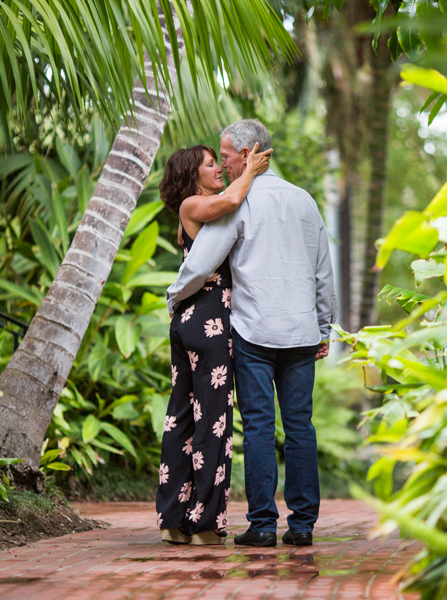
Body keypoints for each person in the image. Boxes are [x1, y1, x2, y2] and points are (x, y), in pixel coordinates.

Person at [166, 119, 336, 548]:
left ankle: (262, 526)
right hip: (300, 332)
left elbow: (202, 261)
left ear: (247, 153)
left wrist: (174, 295)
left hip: (253, 332)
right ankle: (302, 525)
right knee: (300, 426)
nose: (223, 165)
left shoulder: (239, 201)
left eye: (225, 156)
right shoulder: (304, 201)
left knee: (259, 426)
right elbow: (323, 270)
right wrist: (323, 326)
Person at [155, 141, 272, 546]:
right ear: (193, 175)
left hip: (187, 321)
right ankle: (205, 523)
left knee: (182, 418)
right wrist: (251, 169)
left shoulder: (201, 207)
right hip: (209, 322)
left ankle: (174, 520)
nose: (218, 168)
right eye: (210, 164)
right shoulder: (193, 205)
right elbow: (232, 200)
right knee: (213, 421)